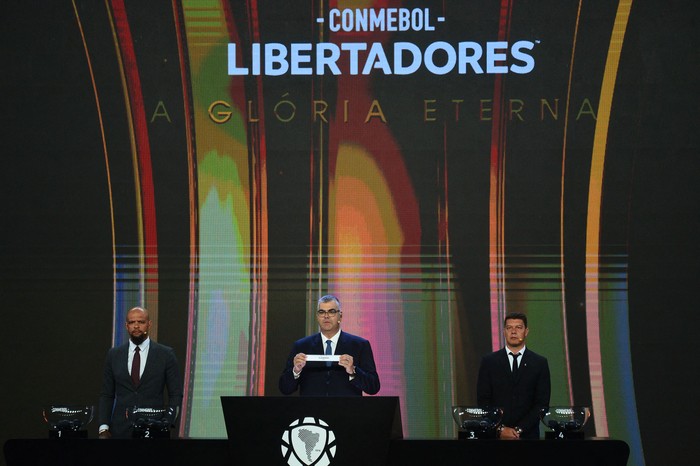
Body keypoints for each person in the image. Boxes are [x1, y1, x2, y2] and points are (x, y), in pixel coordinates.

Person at [98, 306, 183, 438]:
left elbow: (176, 394)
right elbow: (107, 394)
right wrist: (103, 427)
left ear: (149, 324)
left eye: (141, 322)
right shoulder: (114, 355)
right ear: (126, 326)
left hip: (155, 429)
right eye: (132, 322)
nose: (136, 326)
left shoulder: (166, 354)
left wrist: (167, 422)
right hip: (120, 430)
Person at [279, 295, 380, 396]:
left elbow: (373, 387)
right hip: (311, 410)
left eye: (331, 311)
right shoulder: (301, 346)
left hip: (347, 410)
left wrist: (353, 371)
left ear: (340, 316)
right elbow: (285, 388)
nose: (326, 316)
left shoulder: (360, 345)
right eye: (322, 312)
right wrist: (295, 371)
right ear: (317, 317)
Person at [476, 312, 550, 439]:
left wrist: (519, 430)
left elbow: (541, 404)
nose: (514, 332)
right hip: (495, 437)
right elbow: (483, 401)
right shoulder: (489, 362)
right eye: (509, 328)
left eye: (518, 328)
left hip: (528, 436)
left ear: (526, 331)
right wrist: (500, 429)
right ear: (504, 331)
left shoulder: (539, 363)